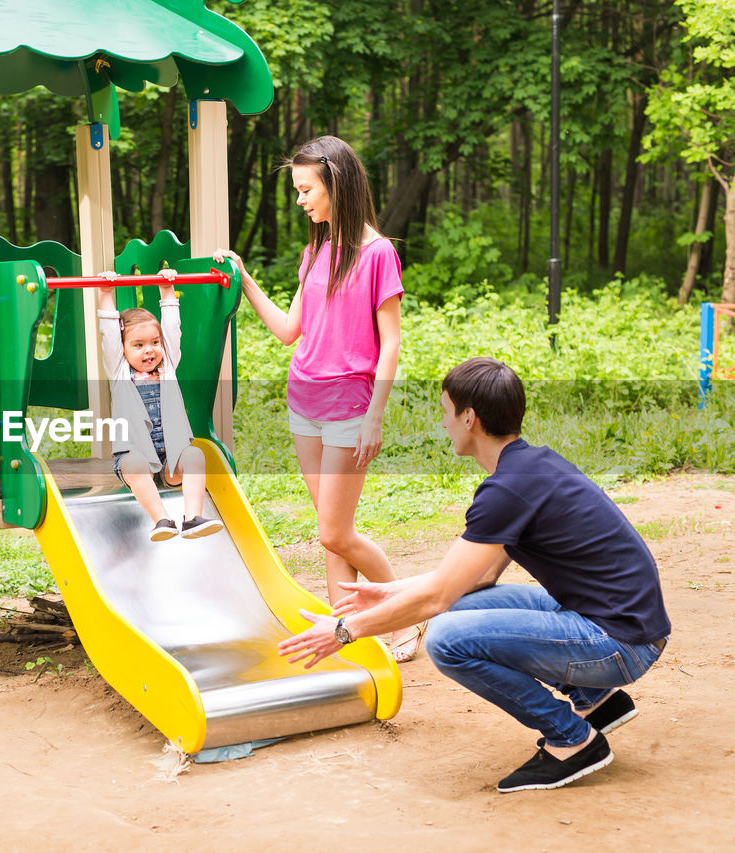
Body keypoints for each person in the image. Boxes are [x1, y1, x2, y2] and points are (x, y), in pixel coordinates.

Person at [277, 357, 672, 793]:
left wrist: (344, 631)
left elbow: (436, 600)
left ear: (469, 418)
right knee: (471, 605)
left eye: (446, 411)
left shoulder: (508, 490)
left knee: (448, 639)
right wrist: (389, 592)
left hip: (619, 644)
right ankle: (596, 701)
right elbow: (474, 580)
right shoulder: (529, 467)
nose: (443, 422)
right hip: (617, 622)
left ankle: (572, 740)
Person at [214, 135, 424, 661]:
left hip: (351, 405)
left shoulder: (378, 254)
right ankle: (344, 632)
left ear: (337, 183)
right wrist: (243, 278)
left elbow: (392, 341)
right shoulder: (314, 252)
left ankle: (405, 613)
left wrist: (376, 415)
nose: (301, 200)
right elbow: (290, 331)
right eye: (298, 191)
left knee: (335, 531)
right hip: (303, 400)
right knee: (331, 532)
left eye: (307, 189)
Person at [97, 271, 222, 541]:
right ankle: (161, 520)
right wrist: (105, 293)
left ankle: (192, 519)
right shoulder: (119, 372)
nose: (149, 351)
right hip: (137, 460)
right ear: (123, 349)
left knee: (195, 455)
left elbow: (172, 331)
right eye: (138, 345)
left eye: (154, 343)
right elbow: (108, 332)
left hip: (170, 462)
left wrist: (167, 291)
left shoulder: (167, 369)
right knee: (131, 462)